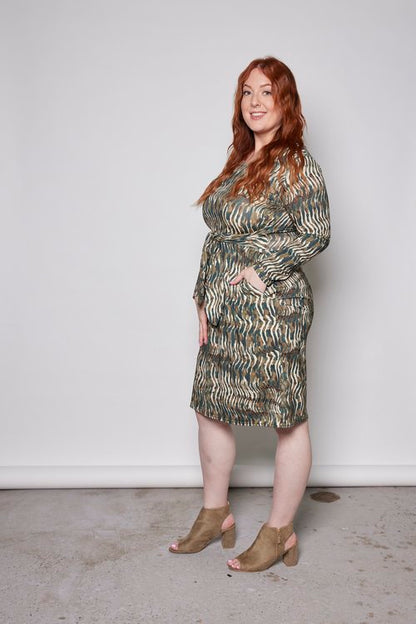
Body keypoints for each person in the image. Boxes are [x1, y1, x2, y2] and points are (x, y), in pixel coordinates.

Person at [168, 56, 330, 572]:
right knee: (209, 404)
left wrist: (263, 266)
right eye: (246, 92)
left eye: (267, 92)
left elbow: (316, 232)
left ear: (286, 102)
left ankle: (280, 530)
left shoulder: (297, 163)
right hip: (224, 306)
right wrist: (202, 297)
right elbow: (217, 237)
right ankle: (216, 513)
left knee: (286, 416)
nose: (255, 102)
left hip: (272, 309)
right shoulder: (240, 159)